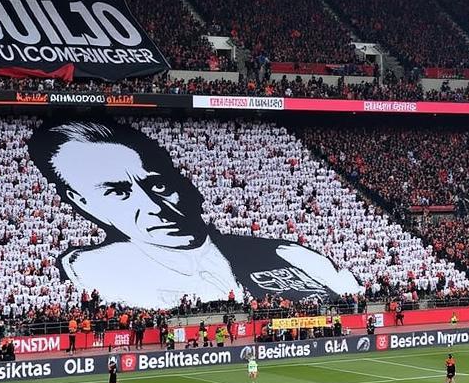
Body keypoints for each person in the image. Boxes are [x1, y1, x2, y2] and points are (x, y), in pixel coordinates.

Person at [31, 120, 361, 309]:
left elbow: (351, 296)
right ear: (85, 204)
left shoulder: (288, 254)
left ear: (181, 179)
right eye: (117, 192)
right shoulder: (93, 272)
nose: (154, 205)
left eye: (156, 184)